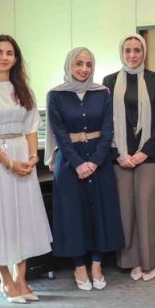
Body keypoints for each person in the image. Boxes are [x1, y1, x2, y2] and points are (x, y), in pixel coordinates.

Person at [0, 35, 52, 304]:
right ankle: (5, 279)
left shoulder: (23, 88)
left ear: (15, 59)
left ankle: (21, 278)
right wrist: (7, 162)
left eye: (10, 53)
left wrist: (31, 158)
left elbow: (31, 127)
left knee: (22, 216)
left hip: (21, 155)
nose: (4, 57)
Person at [46, 48, 124, 290]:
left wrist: (95, 161)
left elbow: (108, 129)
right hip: (69, 162)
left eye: (88, 64)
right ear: (69, 65)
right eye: (79, 63)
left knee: (100, 212)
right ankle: (79, 267)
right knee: (73, 215)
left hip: (99, 161)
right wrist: (78, 163)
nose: (84, 69)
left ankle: (97, 265)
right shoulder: (55, 95)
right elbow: (59, 133)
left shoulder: (102, 93)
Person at [103, 35, 155, 282]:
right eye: (128, 50)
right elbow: (105, 121)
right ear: (122, 52)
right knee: (125, 209)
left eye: (137, 50)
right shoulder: (109, 81)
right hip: (119, 156)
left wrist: (144, 152)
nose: (132, 55)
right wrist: (118, 154)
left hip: (148, 155)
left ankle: (148, 262)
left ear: (144, 52)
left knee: (146, 207)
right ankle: (131, 261)